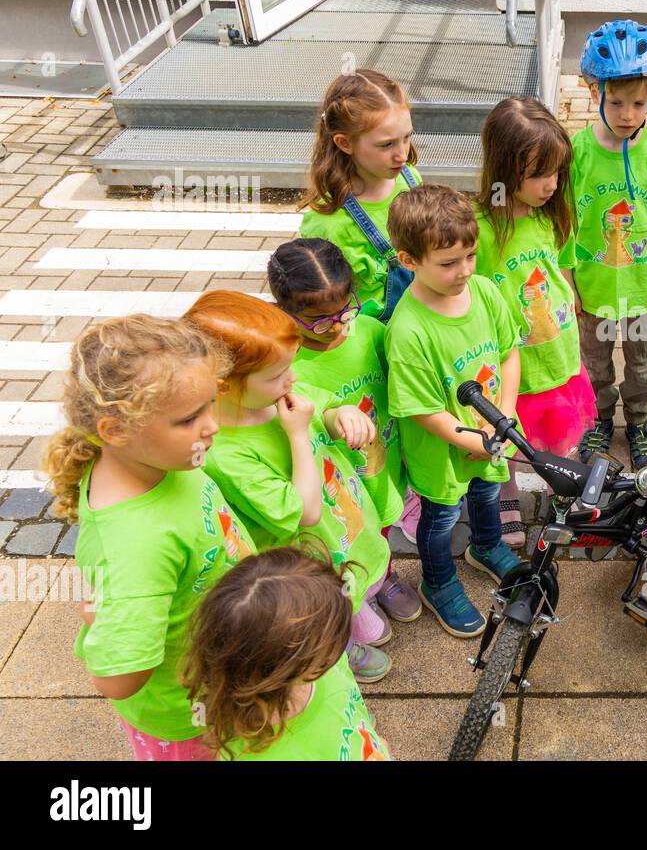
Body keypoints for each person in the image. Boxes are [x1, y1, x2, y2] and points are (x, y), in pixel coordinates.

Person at [45, 316, 257, 760]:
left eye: (210, 405)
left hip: (219, 672)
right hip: (188, 716)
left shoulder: (159, 462)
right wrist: (107, 625)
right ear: (116, 430)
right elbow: (117, 680)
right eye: (189, 418)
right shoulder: (137, 546)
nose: (212, 426)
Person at [183, 291, 393, 684]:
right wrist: (297, 436)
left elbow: (324, 408)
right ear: (224, 385)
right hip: (306, 559)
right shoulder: (225, 453)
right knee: (320, 610)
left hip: (341, 527)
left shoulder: (276, 394)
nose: (293, 378)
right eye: (279, 374)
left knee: (352, 579)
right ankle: (337, 651)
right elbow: (304, 511)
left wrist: (340, 415)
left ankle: (354, 613)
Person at [384, 184, 523, 638]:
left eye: (470, 257)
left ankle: (486, 546)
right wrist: (476, 441)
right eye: (447, 264)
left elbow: (509, 353)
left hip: (489, 436)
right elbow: (423, 410)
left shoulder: (483, 292)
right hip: (443, 451)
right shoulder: (408, 331)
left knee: (485, 494)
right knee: (441, 515)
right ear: (409, 261)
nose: (464, 271)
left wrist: (503, 417)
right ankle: (437, 581)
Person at [266, 238, 423, 626]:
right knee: (343, 538)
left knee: (382, 521)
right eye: (319, 319)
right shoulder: (284, 364)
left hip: (381, 462)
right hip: (333, 478)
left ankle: (382, 577)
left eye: (344, 310)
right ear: (285, 312)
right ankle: (351, 597)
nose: (336, 324)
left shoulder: (368, 331)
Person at [300, 68, 424, 541]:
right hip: (372, 351)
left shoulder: (409, 179)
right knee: (384, 425)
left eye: (406, 139)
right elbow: (320, 298)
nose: (401, 155)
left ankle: (418, 485)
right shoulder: (327, 224)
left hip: (418, 336)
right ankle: (391, 501)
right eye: (386, 144)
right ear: (345, 143)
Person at [569, 19, 647, 468]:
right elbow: (563, 224)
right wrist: (568, 283)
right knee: (594, 367)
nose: (628, 114)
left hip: (643, 292)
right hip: (591, 292)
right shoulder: (576, 154)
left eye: (639, 103)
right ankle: (598, 422)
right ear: (593, 92)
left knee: (643, 368)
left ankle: (642, 424)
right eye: (617, 101)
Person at [474, 96, 596, 546]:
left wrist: (574, 296)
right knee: (505, 441)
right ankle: (506, 500)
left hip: (557, 352)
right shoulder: (481, 230)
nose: (551, 184)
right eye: (539, 174)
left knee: (557, 437)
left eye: (558, 172)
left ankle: (559, 488)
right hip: (511, 365)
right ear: (504, 168)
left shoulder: (550, 215)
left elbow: (561, 265)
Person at [183, 547, 393, 761]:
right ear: (284, 666)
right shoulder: (264, 754)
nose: (339, 649)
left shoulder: (324, 662)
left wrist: (373, 742)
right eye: (332, 639)